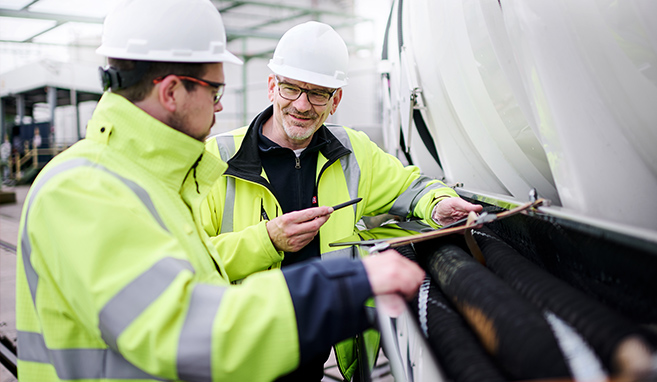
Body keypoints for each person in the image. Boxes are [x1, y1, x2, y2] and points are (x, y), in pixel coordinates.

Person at [14, 1, 426, 381]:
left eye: (317, 93)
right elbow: (190, 330)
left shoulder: (154, 179)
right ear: (172, 91)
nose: (220, 107)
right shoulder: (85, 190)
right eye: (215, 91)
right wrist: (346, 282)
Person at [201, 21, 483, 381]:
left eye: (318, 93)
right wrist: (266, 240)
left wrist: (439, 203)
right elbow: (190, 263)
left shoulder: (352, 152)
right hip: (240, 359)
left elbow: (409, 186)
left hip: (314, 356)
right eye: (291, 88)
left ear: (336, 101)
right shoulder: (217, 159)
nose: (302, 105)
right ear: (273, 87)